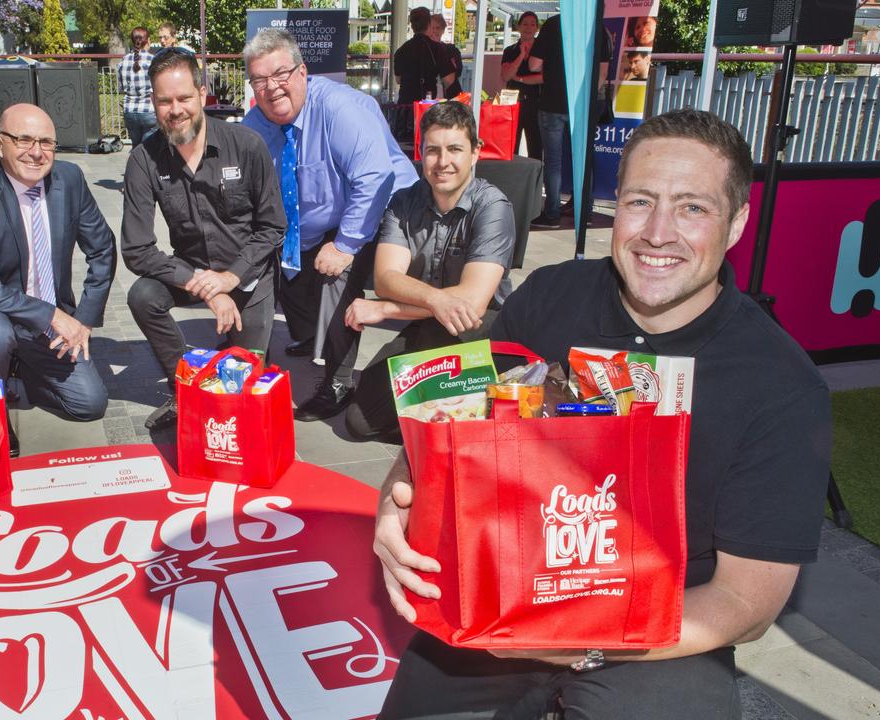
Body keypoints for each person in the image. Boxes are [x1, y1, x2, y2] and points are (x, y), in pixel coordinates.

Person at [374, 109, 832, 718]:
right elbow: (447, 436)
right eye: (641, 201)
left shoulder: (780, 385)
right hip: (503, 595)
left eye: (693, 207)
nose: (658, 232)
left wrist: (575, 644)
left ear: (738, 222)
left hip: (664, 631)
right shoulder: (549, 297)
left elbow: (745, 607)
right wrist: (394, 504)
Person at [242, 28, 419, 421]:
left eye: (281, 75)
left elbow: (374, 179)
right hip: (323, 215)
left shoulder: (341, 109)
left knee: (339, 272)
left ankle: (338, 380)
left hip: (388, 207)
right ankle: (310, 336)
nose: (272, 88)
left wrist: (345, 246)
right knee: (277, 257)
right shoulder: (253, 125)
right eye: (259, 80)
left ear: (303, 72)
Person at [0, 104, 117, 455]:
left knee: (90, 404)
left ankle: (19, 367)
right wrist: (52, 316)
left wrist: (84, 320)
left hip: (44, 312)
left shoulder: (70, 180)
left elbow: (103, 248)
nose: (36, 152)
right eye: (23, 139)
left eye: (46, 142)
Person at [121, 49, 286, 430]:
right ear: (153, 103)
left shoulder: (246, 145)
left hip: (249, 277)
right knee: (142, 295)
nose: (175, 109)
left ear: (202, 93)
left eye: (184, 98)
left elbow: (273, 227)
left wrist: (230, 279)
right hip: (192, 275)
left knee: (238, 397)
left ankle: (224, 362)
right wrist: (209, 288)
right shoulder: (144, 160)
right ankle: (184, 390)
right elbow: (136, 249)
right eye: (165, 101)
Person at [343, 101, 515, 442]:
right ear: (421, 153)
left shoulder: (493, 206)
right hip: (426, 322)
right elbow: (387, 278)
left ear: (475, 152)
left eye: (455, 149)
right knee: (359, 422)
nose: (443, 161)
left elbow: (473, 303)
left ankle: (457, 423)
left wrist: (386, 309)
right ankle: (444, 423)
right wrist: (434, 301)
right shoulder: (404, 202)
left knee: (456, 417)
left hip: (482, 331)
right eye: (433, 150)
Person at [527, 14, 611, 229]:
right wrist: (586, 98)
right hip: (584, 105)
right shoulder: (597, 27)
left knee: (553, 161)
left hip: (553, 102)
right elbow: (602, 72)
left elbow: (534, 65)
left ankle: (552, 214)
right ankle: (585, 213)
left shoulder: (554, 24)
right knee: (584, 159)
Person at [393, 7, 451, 138]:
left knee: (405, 146)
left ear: (412, 26)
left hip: (405, 107)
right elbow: (449, 80)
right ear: (429, 24)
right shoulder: (438, 49)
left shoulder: (401, 50)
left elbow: (398, 79)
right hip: (427, 107)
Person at [500, 11, 543, 159]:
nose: (528, 27)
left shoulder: (543, 51)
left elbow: (544, 78)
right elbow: (506, 75)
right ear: (518, 27)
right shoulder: (510, 50)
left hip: (536, 103)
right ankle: (512, 181)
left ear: (537, 28)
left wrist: (519, 78)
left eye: (532, 24)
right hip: (513, 103)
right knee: (511, 148)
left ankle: (536, 181)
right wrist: (521, 56)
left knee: (536, 148)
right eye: (525, 24)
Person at [118, 26, 156, 146]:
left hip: (129, 110)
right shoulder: (153, 60)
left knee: (136, 148)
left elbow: (120, 88)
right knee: (149, 150)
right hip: (149, 110)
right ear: (148, 41)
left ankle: (135, 164)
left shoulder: (123, 61)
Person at [427, 13, 463, 99]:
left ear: (443, 30)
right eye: (432, 28)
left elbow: (458, 71)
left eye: (438, 28)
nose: (434, 31)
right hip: (429, 96)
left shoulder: (451, 50)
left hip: (450, 96)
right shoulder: (423, 50)